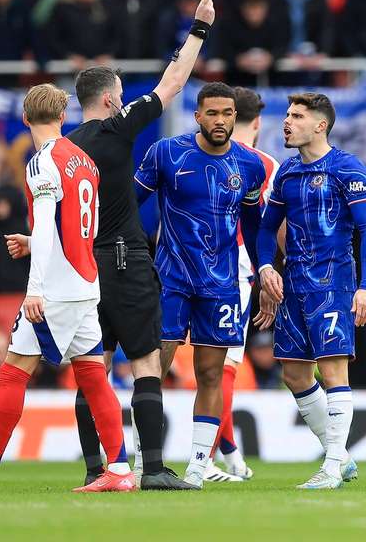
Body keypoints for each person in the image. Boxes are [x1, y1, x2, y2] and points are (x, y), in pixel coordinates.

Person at [50, 0, 214, 491]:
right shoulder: (118, 130)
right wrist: (200, 28)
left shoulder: (61, 148)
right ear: (110, 99)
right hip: (124, 258)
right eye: (119, 93)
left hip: (80, 267)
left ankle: (96, 469)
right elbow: (174, 81)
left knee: (92, 368)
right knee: (144, 361)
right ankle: (156, 470)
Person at [0, 83, 134, 493]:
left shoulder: (41, 163)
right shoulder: (85, 160)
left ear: (25, 119)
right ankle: (118, 469)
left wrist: (35, 289)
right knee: (95, 376)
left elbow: (46, 223)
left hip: (56, 288)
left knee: (13, 371)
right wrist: (36, 243)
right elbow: (88, 226)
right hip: (86, 280)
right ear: (63, 117)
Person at [133, 82, 266, 489]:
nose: (221, 121)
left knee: (211, 373)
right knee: (156, 368)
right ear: (198, 116)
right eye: (213, 113)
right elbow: (129, 204)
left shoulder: (250, 166)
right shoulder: (167, 153)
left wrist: (263, 269)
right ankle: (144, 461)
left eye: (228, 114)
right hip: (171, 278)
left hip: (222, 284)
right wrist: (133, 254)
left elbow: (253, 223)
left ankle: (196, 466)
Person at [255, 92, 366, 489]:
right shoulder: (287, 174)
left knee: (332, 370)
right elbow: (263, 229)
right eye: (287, 115)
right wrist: (264, 268)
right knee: (294, 374)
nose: (287, 122)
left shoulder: (348, 168)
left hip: (334, 282)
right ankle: (340, 457)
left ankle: (330, 467)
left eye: (296, 116)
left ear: (320, 125)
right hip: (293, 284)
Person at [205, 87, 280, 483]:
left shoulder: (200, 154)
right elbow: (273, 227)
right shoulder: (265, 165)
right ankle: (207, 459)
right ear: (259, 123)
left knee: (208, 364)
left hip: (190, 264)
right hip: (237, 266)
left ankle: (229, 452)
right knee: (225, 365)